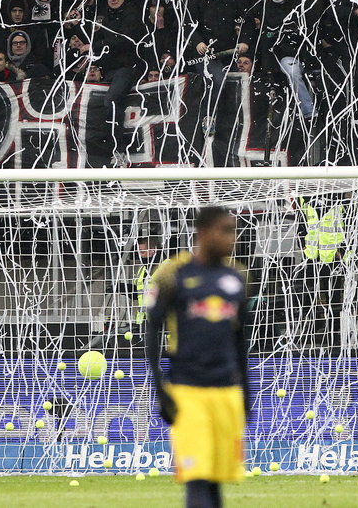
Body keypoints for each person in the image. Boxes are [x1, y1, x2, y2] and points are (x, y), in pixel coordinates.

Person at [145, 207, 249, 508]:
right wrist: (159, 386)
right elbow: (152, 329)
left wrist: (246, 393)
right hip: (188, 391)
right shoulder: (172, 273)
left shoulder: (237, 277)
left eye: (234, 230)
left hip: (226, 392)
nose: (232, 238)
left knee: (215, 482)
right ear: (203, 233)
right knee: (197, 479)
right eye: (225, 230)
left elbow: (241, 340)